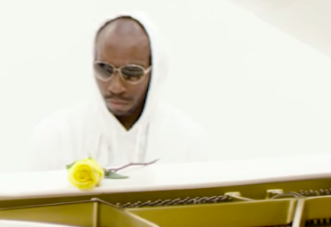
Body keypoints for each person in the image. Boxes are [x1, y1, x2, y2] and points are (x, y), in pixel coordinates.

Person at [29, 12, 209, 170]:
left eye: (131, 72)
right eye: (104, 69)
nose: (116, 87)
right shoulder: (57, 136)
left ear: (156, 73)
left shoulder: (186, 140)